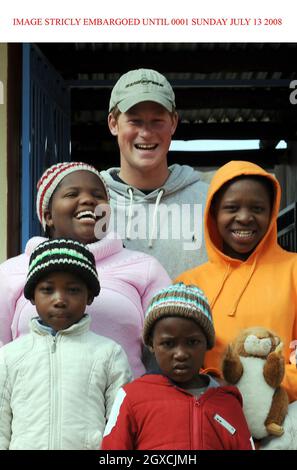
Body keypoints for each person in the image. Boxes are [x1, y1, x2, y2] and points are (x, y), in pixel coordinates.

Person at [0, 162, 171, 378]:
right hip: (33, 409)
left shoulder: (145, 268)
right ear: (48, 215)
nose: (89, 200)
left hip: (122, 408)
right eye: (72, 193)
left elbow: (171, 344)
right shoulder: (10, 272)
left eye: (98, 195)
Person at [175, 160, 297, 403]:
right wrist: (211, 389)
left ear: (271, 212)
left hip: (280, 418)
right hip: (209, 413)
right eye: (231, 208)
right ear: (213, 213)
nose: (244, 217)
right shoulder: (187, 284)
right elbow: (177, 357)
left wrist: (262, 389)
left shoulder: (294, 270)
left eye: (258, 209)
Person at [0, 238, 132, 450]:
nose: (59, 299)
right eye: (47, 289)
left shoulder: (109, 354)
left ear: (89, 296)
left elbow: (121, 424)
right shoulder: (9, 357)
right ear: (32, 296)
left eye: (72, 290)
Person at [101, 283, 254, 450]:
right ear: (152, 344)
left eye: (192, 342)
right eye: (168, 343)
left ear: (208, 344)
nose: (180, 354)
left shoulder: (228, 402)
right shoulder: (132, 397)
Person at [101, 68, 209, 279]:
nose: (146, 133)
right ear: (113, 124)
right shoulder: (92, 201)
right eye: (135, 121)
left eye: (157, 121)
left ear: (174, 123)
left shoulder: (208, 200)